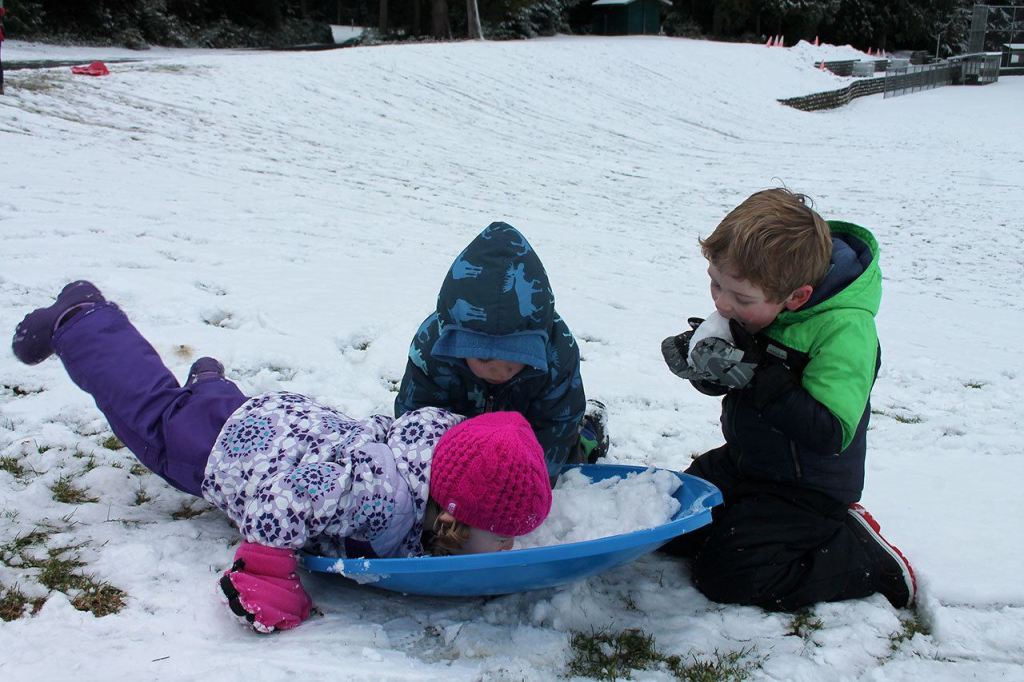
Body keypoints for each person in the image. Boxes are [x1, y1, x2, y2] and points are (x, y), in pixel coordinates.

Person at [11, 281, 553, 633]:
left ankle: (208, 385)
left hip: (280, 424)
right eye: (500, 533)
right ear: (454, 512)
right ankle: (81, 320)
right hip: (221, 451)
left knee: (206, 405)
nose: (508, 544)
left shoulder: (435, 445)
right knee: (147, 412)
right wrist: (267, 570)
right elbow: (290, 496)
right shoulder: (377, 498)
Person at [659, 188, 917, 612]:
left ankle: (861, 553)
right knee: (671, 516)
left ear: (796, 296)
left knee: (730, 574)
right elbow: (736, 379)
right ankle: (739, 523)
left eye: (740, 298)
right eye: (715, 284)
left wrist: (758, 375)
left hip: (806, 487)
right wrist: (705, 367)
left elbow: (830, 430)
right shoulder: (763, 298)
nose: (722, 304)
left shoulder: (845, 331)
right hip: (748, 461)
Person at [395, 221, 608, 481]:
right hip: (458, 437)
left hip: (528, 437)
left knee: (570, 461)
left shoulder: (557, 353)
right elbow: (415, 423)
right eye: (483, 357)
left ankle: (590, 432)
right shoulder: (432, 349)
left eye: (514, 360)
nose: (498, 371)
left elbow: (556, 428)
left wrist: (523, 482)